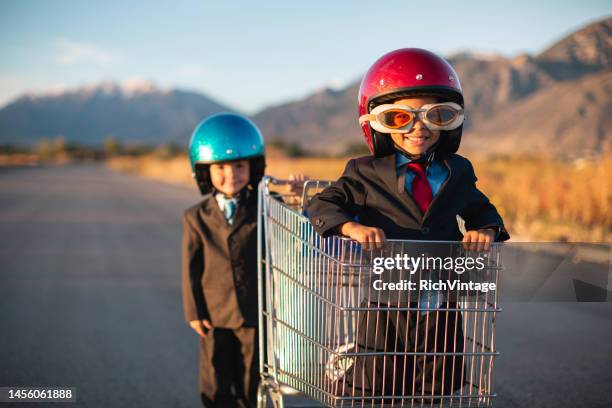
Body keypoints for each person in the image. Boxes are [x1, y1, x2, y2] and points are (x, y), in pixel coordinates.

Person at [306, 49, 510, 402]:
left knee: (433, 388)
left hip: (439, 302)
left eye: (436, 115)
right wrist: (351, 229)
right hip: (385, 302)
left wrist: (486, 230)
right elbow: (322, 204)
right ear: (377, 124)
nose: (419, 128)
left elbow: (483, 210)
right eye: (400, 118)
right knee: (377, 386)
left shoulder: (457, 171)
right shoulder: (364, 172)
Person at [181, 112, 304, 407]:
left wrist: (299, 199)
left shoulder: (267, 207)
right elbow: (190, 268)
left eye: (239, 165)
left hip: (255, 313)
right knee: (215, 383)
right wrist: (194, 311)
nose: (231, 174)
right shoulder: (195, 216)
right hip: (214, 316)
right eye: (220, 167)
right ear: (204, 171)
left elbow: (294, 230)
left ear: (254, 167)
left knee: (252, 382)